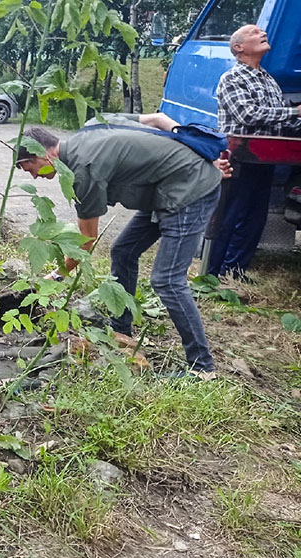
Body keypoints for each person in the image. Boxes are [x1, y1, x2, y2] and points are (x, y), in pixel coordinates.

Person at [16, 114, 232, 375]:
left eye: (31, 170)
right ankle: (121, 330)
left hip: (189, 193)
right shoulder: (92, 126)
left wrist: (53, 278)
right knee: (123, 250)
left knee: (167, 280)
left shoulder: (84, 171)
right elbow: (156, 119)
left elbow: (85, 243)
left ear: (42, 157)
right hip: (166, 188)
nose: (36, 177)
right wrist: (195, 157)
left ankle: (202, 367)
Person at [208, 23, 301, 280]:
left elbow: (284, 121)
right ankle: (214, 274)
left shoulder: (269, 80)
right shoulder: (232, 78)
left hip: (265, 159)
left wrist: (297, 117)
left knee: (254, 218)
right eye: (254, 33)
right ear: (239, 48)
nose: (262, 34)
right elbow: (247, 115)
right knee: (230, 215)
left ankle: (236, 272)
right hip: (239, 158)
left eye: (262, 32)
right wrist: (295, 111)